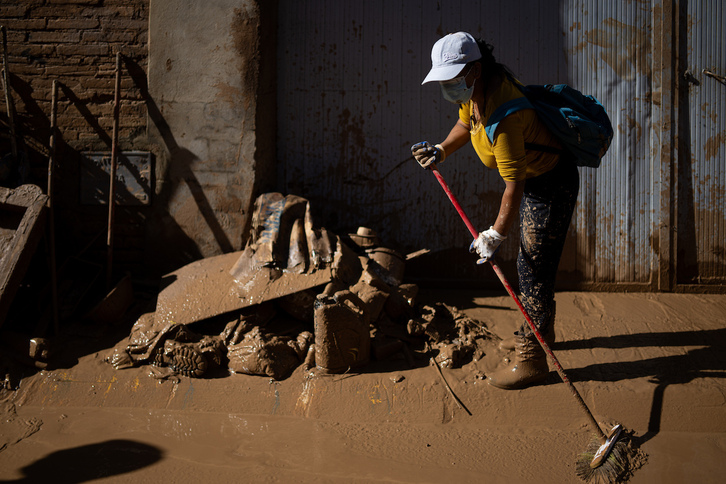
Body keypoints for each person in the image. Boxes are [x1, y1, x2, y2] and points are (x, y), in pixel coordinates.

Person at [411, 32, 580, 390]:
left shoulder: (505, 115)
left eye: (452, 78)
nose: (447, 86)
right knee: (533, 263)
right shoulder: (477, 91)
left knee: (533, 266)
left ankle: (532, 360)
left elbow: (513, 186)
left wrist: (495, 234)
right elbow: (465, 123)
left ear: (474, 69)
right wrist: (441, 150)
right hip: (534, 175)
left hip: (550, 181)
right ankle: (540, 330)